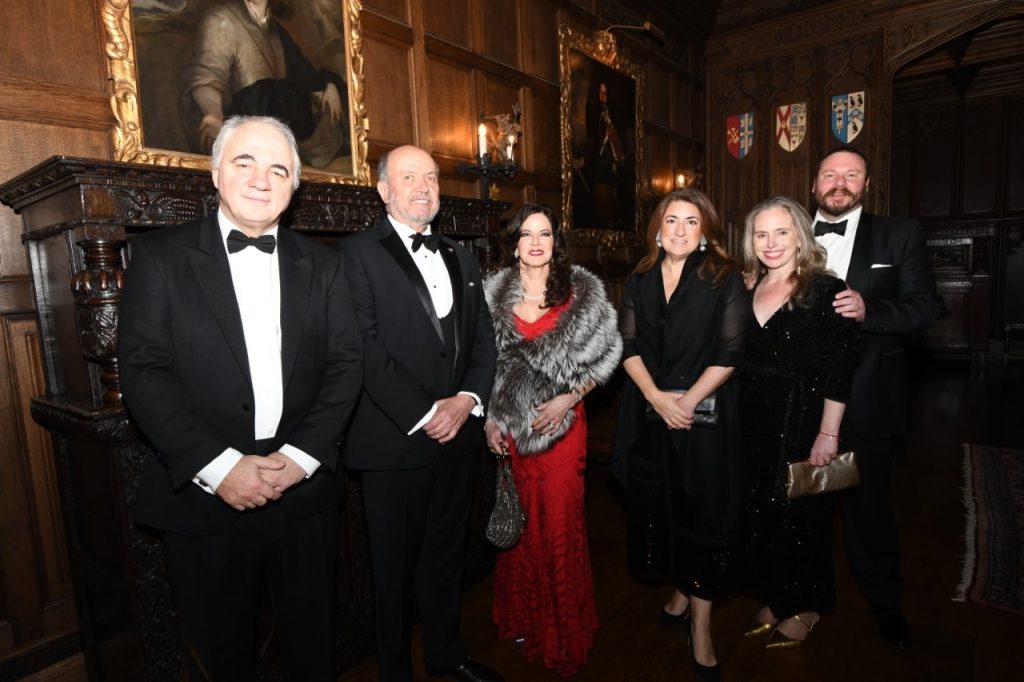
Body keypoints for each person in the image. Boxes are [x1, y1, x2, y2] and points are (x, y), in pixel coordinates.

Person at [118, 115, 364, 679]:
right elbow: (144, 373)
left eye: (278, 169)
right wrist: (220, 467)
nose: (260, 179)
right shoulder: (160, 258)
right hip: (203, 499)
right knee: (218, 657)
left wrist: (301, 457)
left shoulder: (325, 264)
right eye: (244, 162)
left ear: (293, 186)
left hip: (303, 494)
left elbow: (346, 365)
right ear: (215, 173)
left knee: (313, 649)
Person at [337, 145, 501, 682]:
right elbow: (365, 348)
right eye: (409, 177)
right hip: (393, 442)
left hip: (459, 440)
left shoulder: (460, 254)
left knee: (446, 557)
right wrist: (426, 412)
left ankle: (446, 654)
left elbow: (483, 341)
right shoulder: (356, 254)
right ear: (384, 190)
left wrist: (468, 400)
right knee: (392, 570)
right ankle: (394, 671)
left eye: (430, 177)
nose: (424, 187)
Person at [612, 188, 751, 681]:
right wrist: (655, 398)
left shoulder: (725, 279)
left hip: (703, 420)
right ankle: (680, 589)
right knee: (664, 510)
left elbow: (730, 352)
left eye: (692, 222)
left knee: (702, 516)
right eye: (671, 220)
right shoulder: (639, 279)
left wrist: (685, 403)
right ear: (657, 229)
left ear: (705, 233)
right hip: (649, 417)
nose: (680, 230)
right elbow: (627, 344)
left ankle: (701, 626)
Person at [811, 146, 942, 649]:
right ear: (815, 183)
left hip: (868, 397)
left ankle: (884, 600)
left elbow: (926, 308)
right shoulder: (786, 233)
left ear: (867, 185)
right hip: (800, 399)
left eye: (851, 174)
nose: (839, 182)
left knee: (870, 510)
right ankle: (800, 595)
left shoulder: (899, 234)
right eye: (830, 174)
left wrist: (871, 311)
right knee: (803, 506)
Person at [483, 203, 621, 677]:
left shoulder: (580, 294)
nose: (536, 242)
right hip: (513, 435)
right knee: (521, 524)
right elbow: (486, 368)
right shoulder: (493, 297)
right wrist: (490, 420)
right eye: (527, 234)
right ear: (514, 244)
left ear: (555, 242)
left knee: (559, 525)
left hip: (561, 433)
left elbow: (606, 357)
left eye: (544, 234)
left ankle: (562, 629)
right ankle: (527, 618)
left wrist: (569, 398)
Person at [737, 196, 860, 648]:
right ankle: (778, 595)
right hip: (750, 418)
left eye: (781, 232)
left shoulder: (826, 290)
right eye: (761, 234)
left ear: (800, 237)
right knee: (761, 513)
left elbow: (840, 367)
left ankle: (807, 605)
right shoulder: (745, 287)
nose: (771, 243)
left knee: (803, 517)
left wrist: (829, 432)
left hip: (803, 417)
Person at [183, 0, 349, 167]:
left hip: (281, 144)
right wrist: (213, 114)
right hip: (246, 138)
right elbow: (206, 76)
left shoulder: (277, 32)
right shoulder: (221, 18)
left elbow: (306, 77)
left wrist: (329, 85)